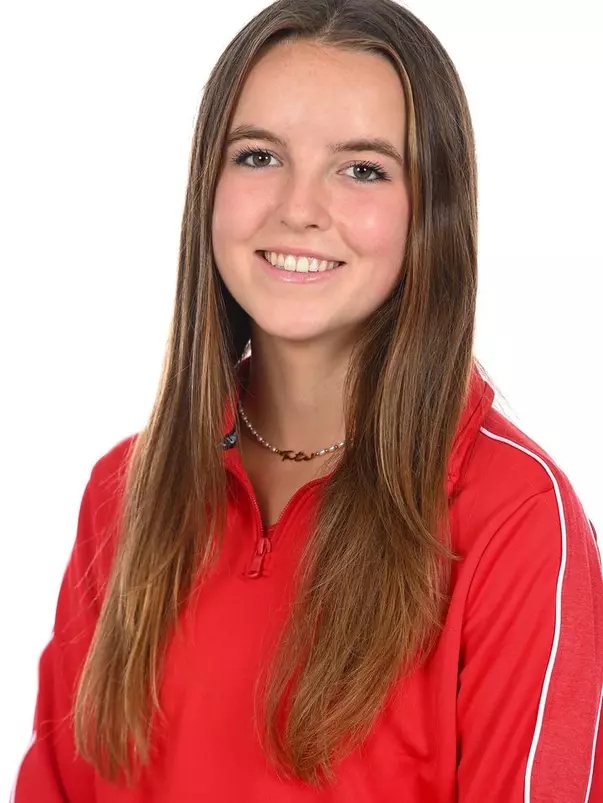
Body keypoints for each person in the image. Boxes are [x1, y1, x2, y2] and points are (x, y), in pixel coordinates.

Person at [12, 0, 602, 800]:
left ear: (431, 210)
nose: (298, 208)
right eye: (258, 156)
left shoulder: (515, 516)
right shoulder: (125, 491)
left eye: (362, 169)